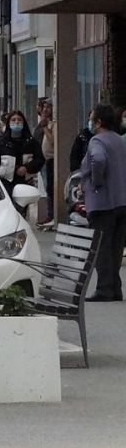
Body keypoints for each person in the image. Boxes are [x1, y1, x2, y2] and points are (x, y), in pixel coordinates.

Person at [81, 104, 126, 302]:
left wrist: (96, 180)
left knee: (101, 246)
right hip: (122, 200)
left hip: (102, 202)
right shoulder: (120, 141)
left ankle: (104, 288)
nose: (90, 122)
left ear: (99, 122)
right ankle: (115, 287)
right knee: (116, 247)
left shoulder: (96, 140)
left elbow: (98, 160)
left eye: (92, 118)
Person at [0, 110, 45, 200]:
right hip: (5, 184)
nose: (16, 122)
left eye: (19, 120)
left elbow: (40, 160)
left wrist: (27, 167)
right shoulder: (1, 143)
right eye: (13, 120)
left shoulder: (31, 142)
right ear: (8, 123)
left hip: (25, 183)